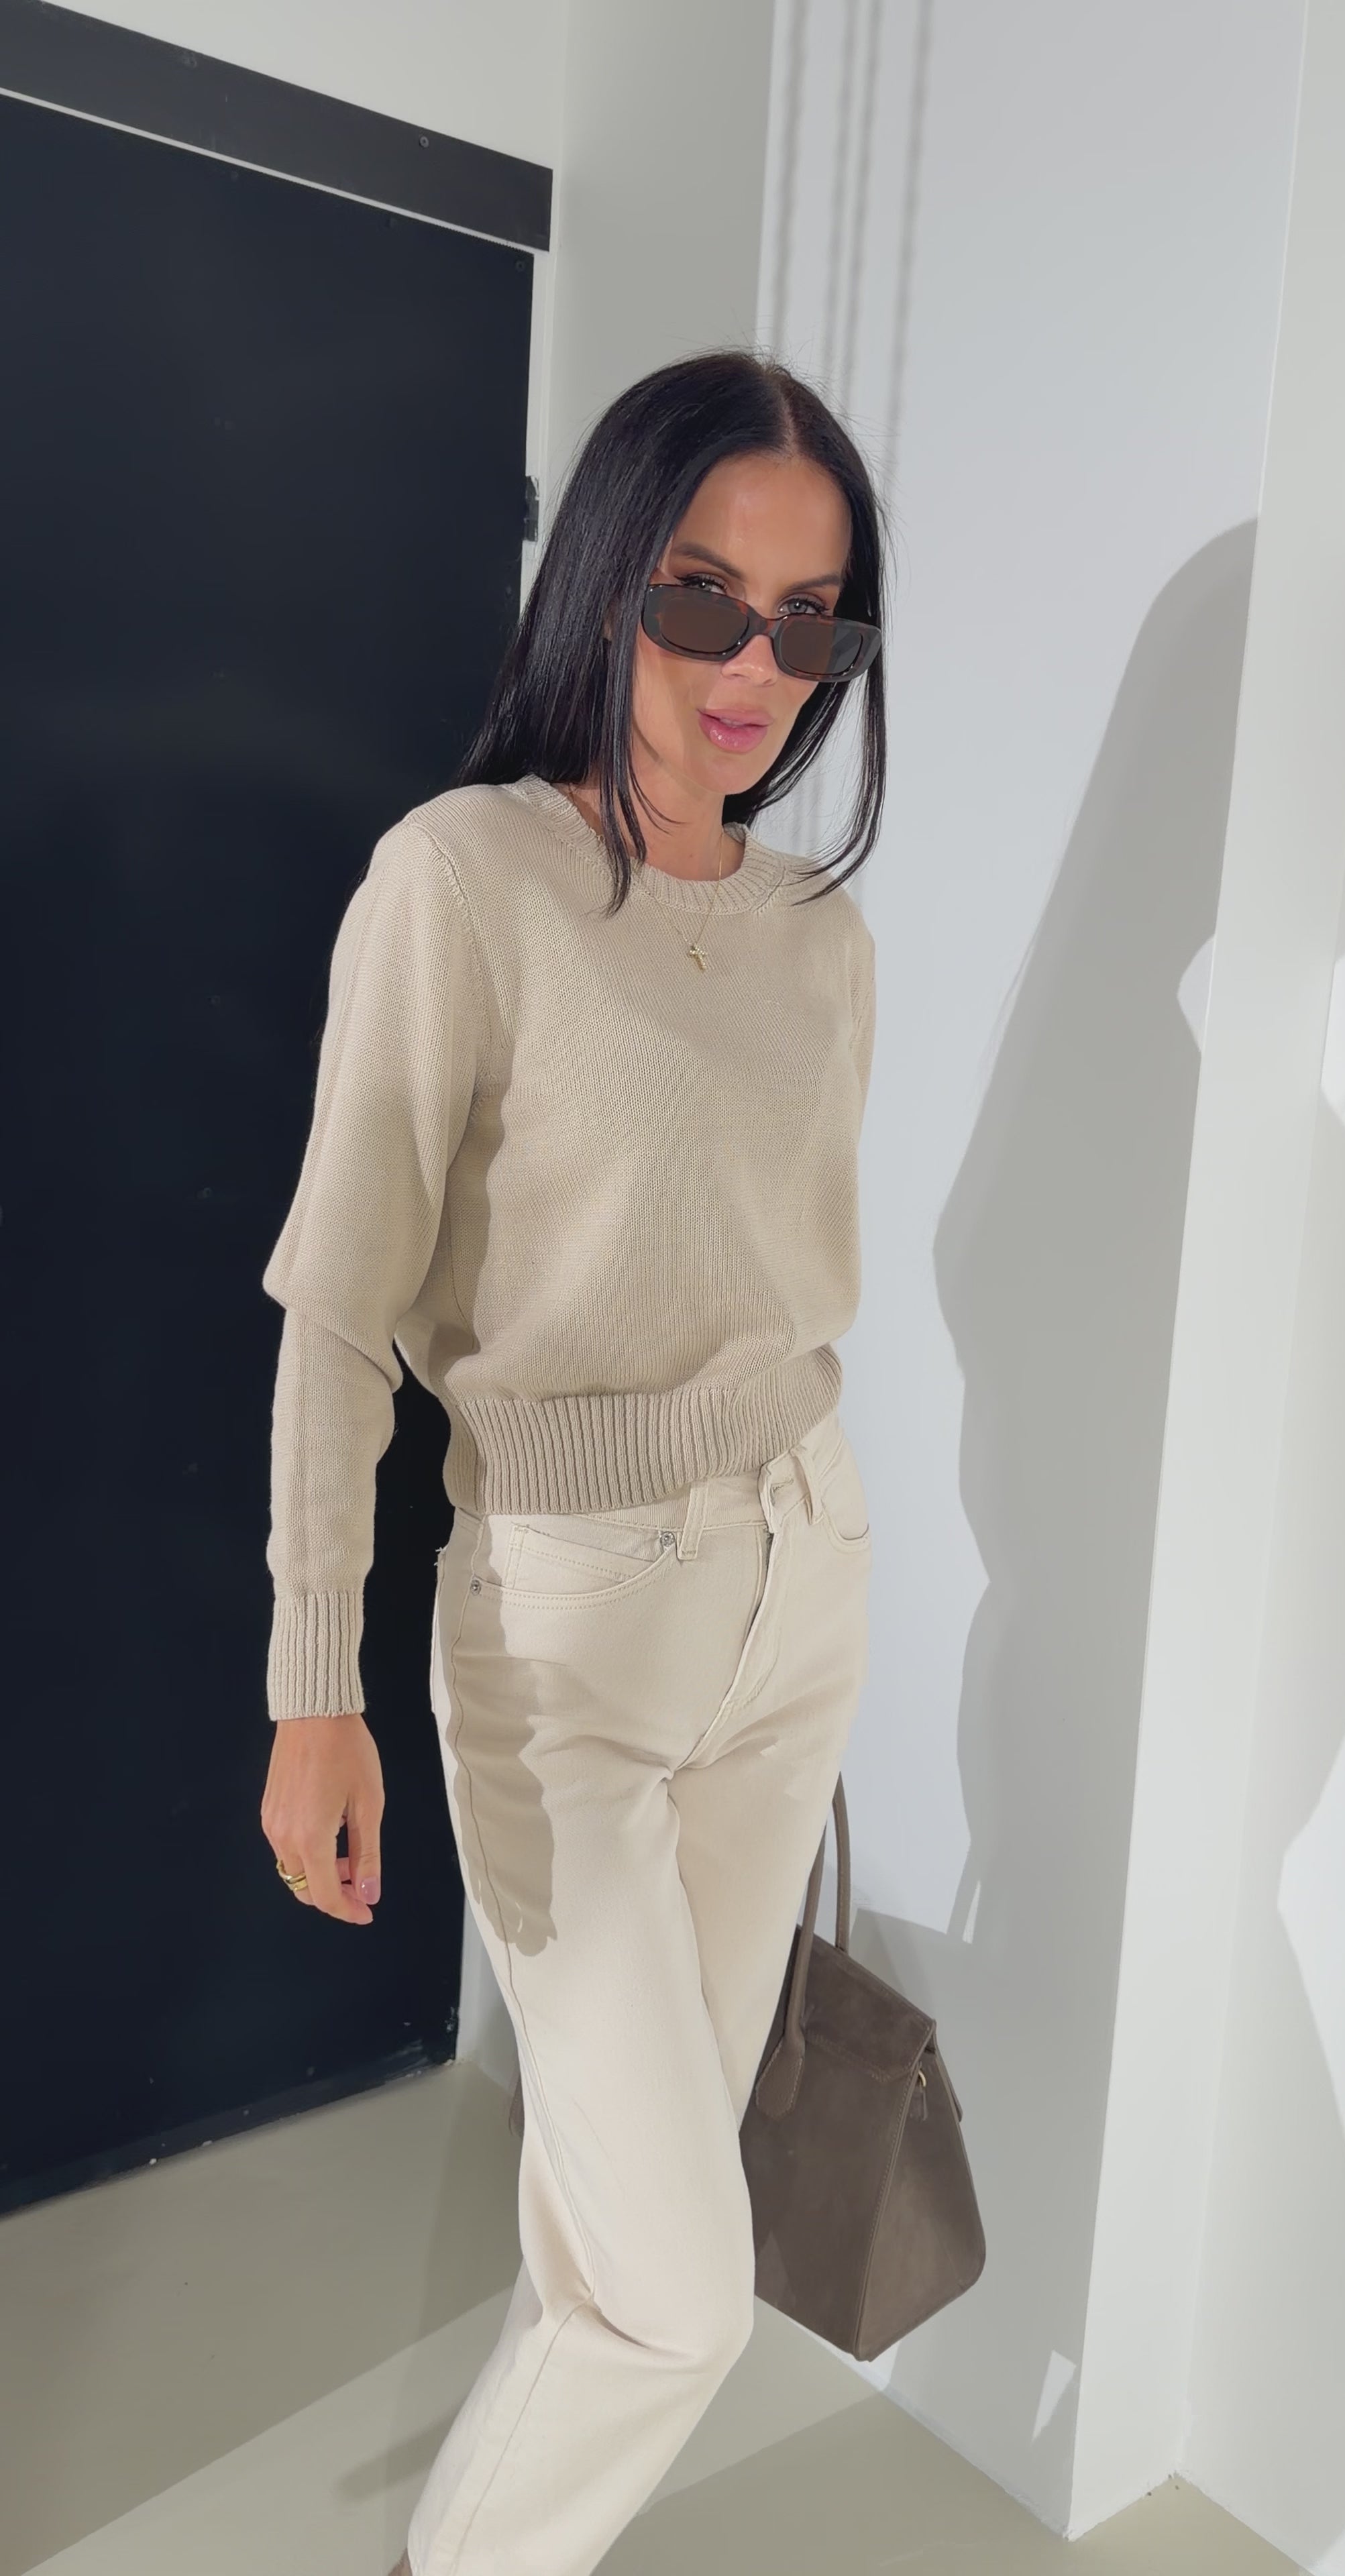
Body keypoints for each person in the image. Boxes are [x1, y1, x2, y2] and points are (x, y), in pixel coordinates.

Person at [258, 347, 885, 2576]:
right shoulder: (466, 881)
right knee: (681, 2299)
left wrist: (804, 1565)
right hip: (564, 1639)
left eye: (809, 624)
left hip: (796, 1596)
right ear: (606, 577)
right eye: (703, 599)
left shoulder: (823, 941)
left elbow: (770, 1292)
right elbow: (342, 1308)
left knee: (616, 2233)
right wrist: (313, 1685)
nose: (753, 671)